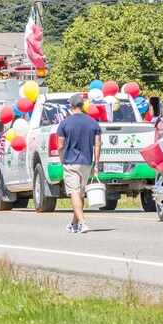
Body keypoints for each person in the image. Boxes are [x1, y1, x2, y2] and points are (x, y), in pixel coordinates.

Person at [57, 93, 103, 234]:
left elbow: (60, 145)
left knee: (74, 193)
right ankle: (74, 224)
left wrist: (61, 159)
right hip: (86, 162)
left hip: (71, 162)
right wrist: (96, 164)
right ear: (82, 106)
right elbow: (97, 145)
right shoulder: (93, 123)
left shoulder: (64, 123)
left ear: (70, 106)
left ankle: (83, 223)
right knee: (80, 194)